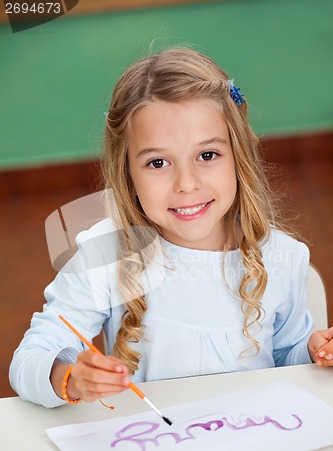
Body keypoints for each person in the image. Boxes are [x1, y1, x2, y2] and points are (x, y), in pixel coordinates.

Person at [9, 46, 333, 408]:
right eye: (158, 162)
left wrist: (313, 351)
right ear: (127, 171)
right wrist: (69, 377)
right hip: (152, 449)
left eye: (207, 155)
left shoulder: (280, 256)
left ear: (237, 156)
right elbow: (29, 360)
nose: (186, 183)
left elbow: (287, 355)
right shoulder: (106, 253)